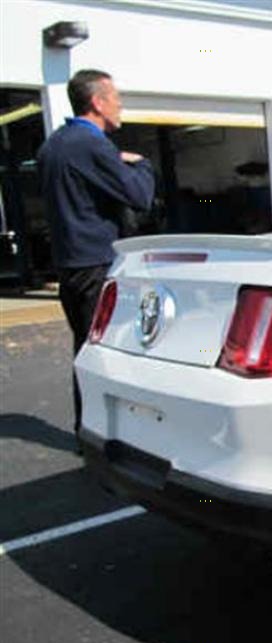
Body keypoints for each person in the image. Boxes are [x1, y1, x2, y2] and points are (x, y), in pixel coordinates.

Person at [37, 69, 155, 439]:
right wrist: (141, 165)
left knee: (86, 351)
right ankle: (107, 438)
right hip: (97, 267)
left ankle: (87, 430)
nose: (120, 105)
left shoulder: (52, 145)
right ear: (97, 102)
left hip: (71, 267)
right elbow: (139, 196)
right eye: (116, 98)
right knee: (111, 354)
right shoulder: (91, 145)